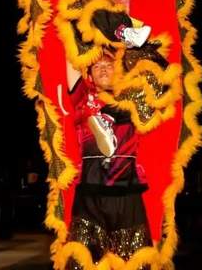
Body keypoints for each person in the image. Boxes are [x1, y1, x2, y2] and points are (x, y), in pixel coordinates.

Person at [64, 52, 151, 267]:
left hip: (127, 193)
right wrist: (82, 33)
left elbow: (150, 75)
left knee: (137, 262)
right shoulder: (82, 97)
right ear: (90, 76)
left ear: (118, 70)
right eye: (97, 66)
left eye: (109, 65)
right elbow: (71, 59)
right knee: (81, 261)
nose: (103, 69)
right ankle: (101, 123)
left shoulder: (134, 97)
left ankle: (108, 124)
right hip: (90, 194)